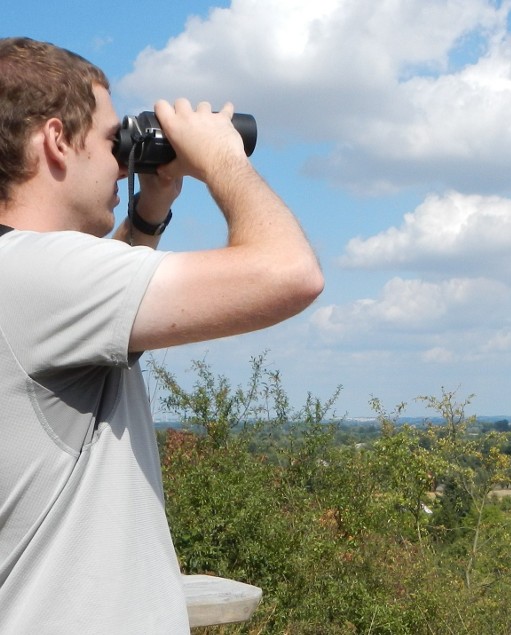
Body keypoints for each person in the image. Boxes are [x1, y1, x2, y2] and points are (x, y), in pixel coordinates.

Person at [0, 37, 324, 633]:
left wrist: (150, 211)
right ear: (54, 140)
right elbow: (292, 274)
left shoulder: (25, 281)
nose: (123, 161)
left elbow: (107, 329)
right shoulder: (35, 273)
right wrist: (222, 159)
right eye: (109, 140)